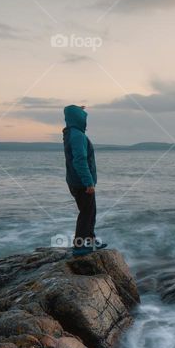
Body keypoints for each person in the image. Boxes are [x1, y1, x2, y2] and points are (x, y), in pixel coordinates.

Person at [62, 104, 106, 255]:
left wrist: (77, 108)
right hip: (81, 183)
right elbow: (79, 161)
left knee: (90, 212)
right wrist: (88, 182)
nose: (85, 120)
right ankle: (79, 246)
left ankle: (90, 241)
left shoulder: (71, 133)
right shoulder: (77, 136)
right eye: (83, 117)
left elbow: (69, 111)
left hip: (75, 180)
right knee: (86, 213)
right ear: (79, 119)